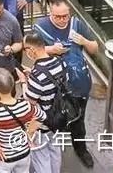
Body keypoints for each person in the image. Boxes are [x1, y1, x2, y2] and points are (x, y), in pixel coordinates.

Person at [32, 0, 99, 168]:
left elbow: (95, 48)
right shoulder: (41, 27)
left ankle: (81, 148)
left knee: (78, 119)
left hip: (78, 83)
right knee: (56, 119)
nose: (62, 20)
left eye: (65, 16)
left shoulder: (77, 24)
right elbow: (31, 51)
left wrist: (83, 41)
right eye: (58, 16)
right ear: (50, 13)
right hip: (54, 87)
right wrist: (50, 50)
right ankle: (56, 147)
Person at [0, 67, 42, 173]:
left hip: (3, 158)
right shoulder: (25, 104)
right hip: (23, 154)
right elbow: (41, 117)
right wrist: (29, 133)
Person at [22, 32, 66, 173]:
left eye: (25, 49)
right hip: (59, 117)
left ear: (31, 50)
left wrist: (24, 82)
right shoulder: (60, 62)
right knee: (55, 152)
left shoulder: (37, 75)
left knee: (41, 158)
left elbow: (30, 101)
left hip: (42, 123)